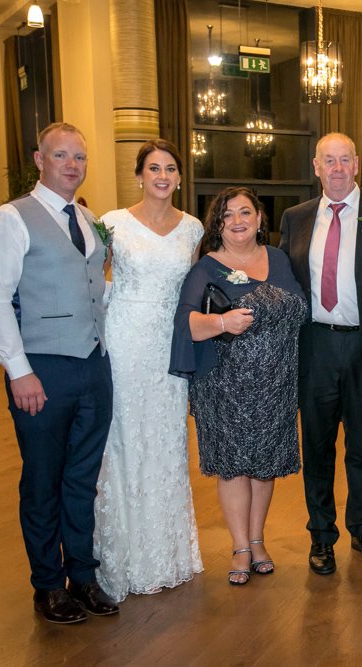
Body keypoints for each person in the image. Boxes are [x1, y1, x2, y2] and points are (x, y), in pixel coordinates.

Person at [0, 122, 118, 623]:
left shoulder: (88, 219)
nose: (72, 165)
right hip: (42, 370)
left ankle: (82, 576)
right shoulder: (10, 219)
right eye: (61, 155)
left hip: (93, 366)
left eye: (80, 157)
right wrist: (19, 371)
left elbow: (93, 286)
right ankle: (48, 585)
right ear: (40, 159)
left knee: (82, 479)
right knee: (42, 481)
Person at [169, 187, 308, 585]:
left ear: (259, 218)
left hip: (275, 384)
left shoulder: (278, 258)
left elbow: (300, 309)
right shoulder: (206, 268)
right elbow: (186, 324)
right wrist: (222, 322)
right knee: (233, 467)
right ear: (218, 224)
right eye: (227, 215)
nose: (237, 221)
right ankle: (240, 547)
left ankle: (258, 540)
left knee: (264, 466)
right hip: (225, 386)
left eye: (245, 212)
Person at [279, 132, 362, 575]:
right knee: (317, 447)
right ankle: (321, 534)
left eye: (344, 159)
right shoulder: (295, 218)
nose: (336, 168)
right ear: (316, 166)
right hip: (315, 346)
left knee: (361, 448)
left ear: (357, 164)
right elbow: (283, 280)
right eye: (328, 160)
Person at [92, 139, 205, 602]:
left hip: (169, 347)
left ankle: (165, 554)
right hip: (124, 341)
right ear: (139, 174)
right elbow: (95, 282)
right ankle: (120, 556)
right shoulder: (111, 223)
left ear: (179, 177)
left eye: (170, 168)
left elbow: (194, 293)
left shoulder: (193, 229)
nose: (162, 176)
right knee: (122, 441)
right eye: (154, 168)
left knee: (166, 441)